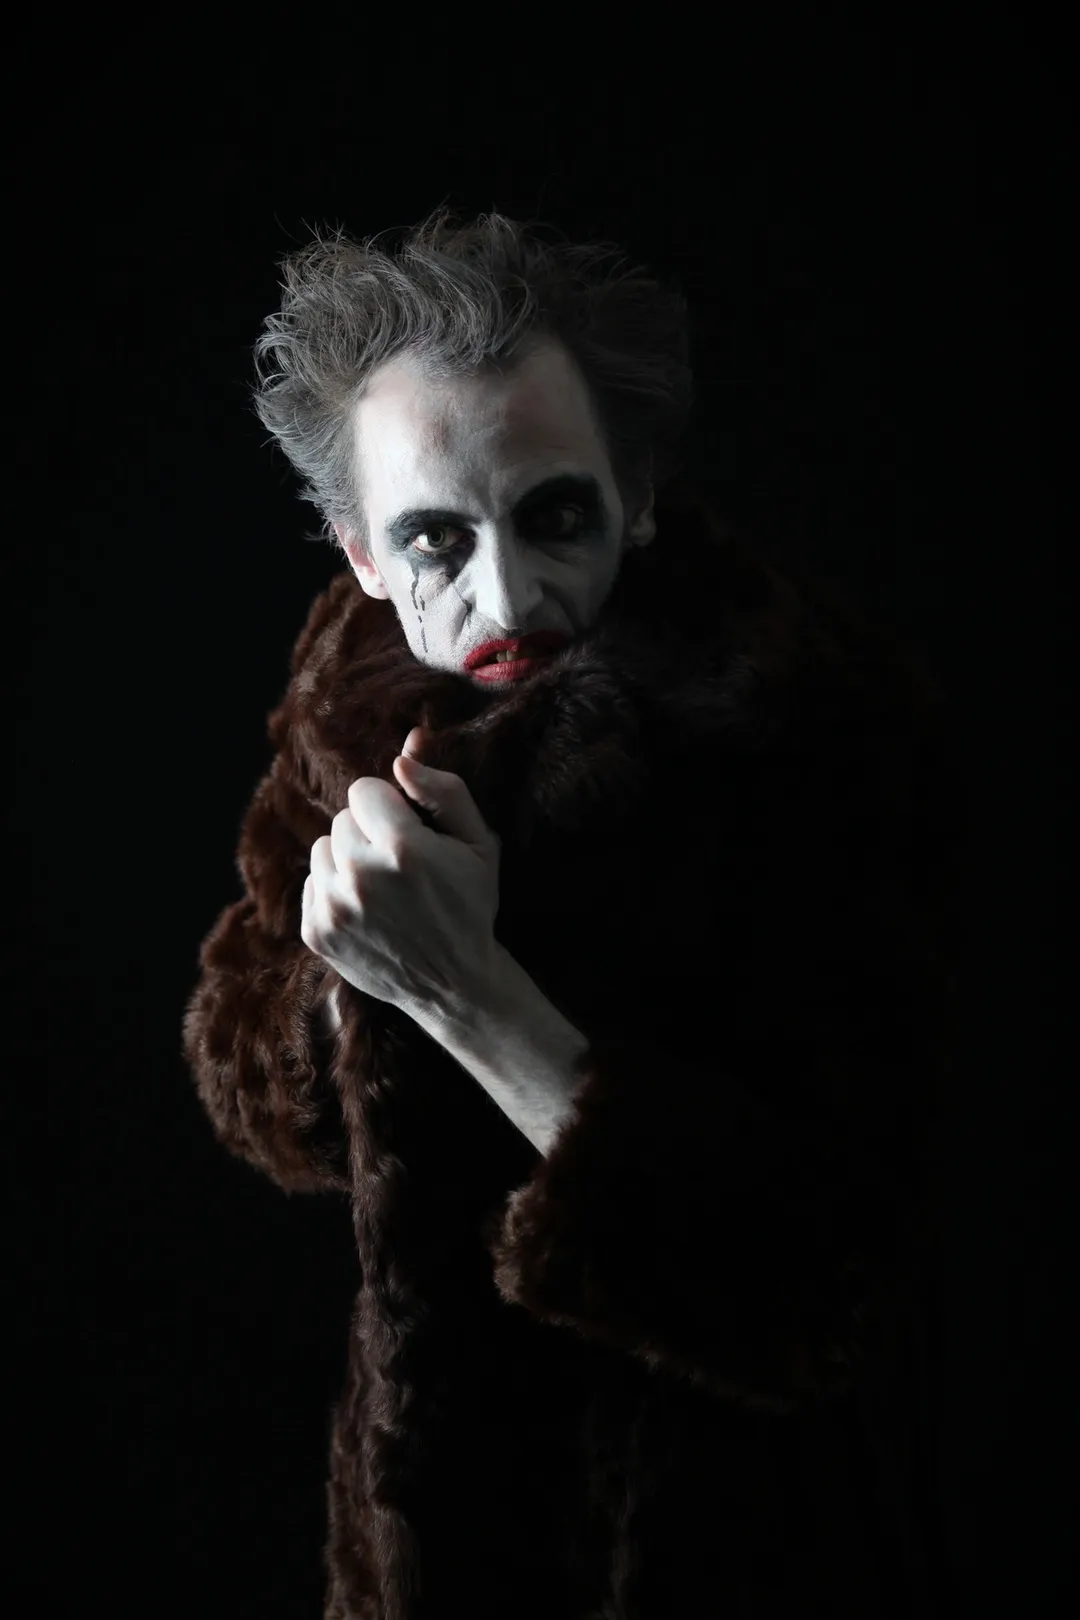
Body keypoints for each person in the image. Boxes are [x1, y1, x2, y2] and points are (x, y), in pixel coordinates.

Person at [182, 208, 955, 1618]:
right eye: (434, 539)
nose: (508, 593)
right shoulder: (350, 713)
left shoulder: (809, 741)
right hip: (421, 1536)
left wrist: (465, 993)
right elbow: (254, 1096)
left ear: (635, 496)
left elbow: (818, 1292)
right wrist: (339, 981)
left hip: (730, 1549)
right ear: (361, 554)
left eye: (553, 516)